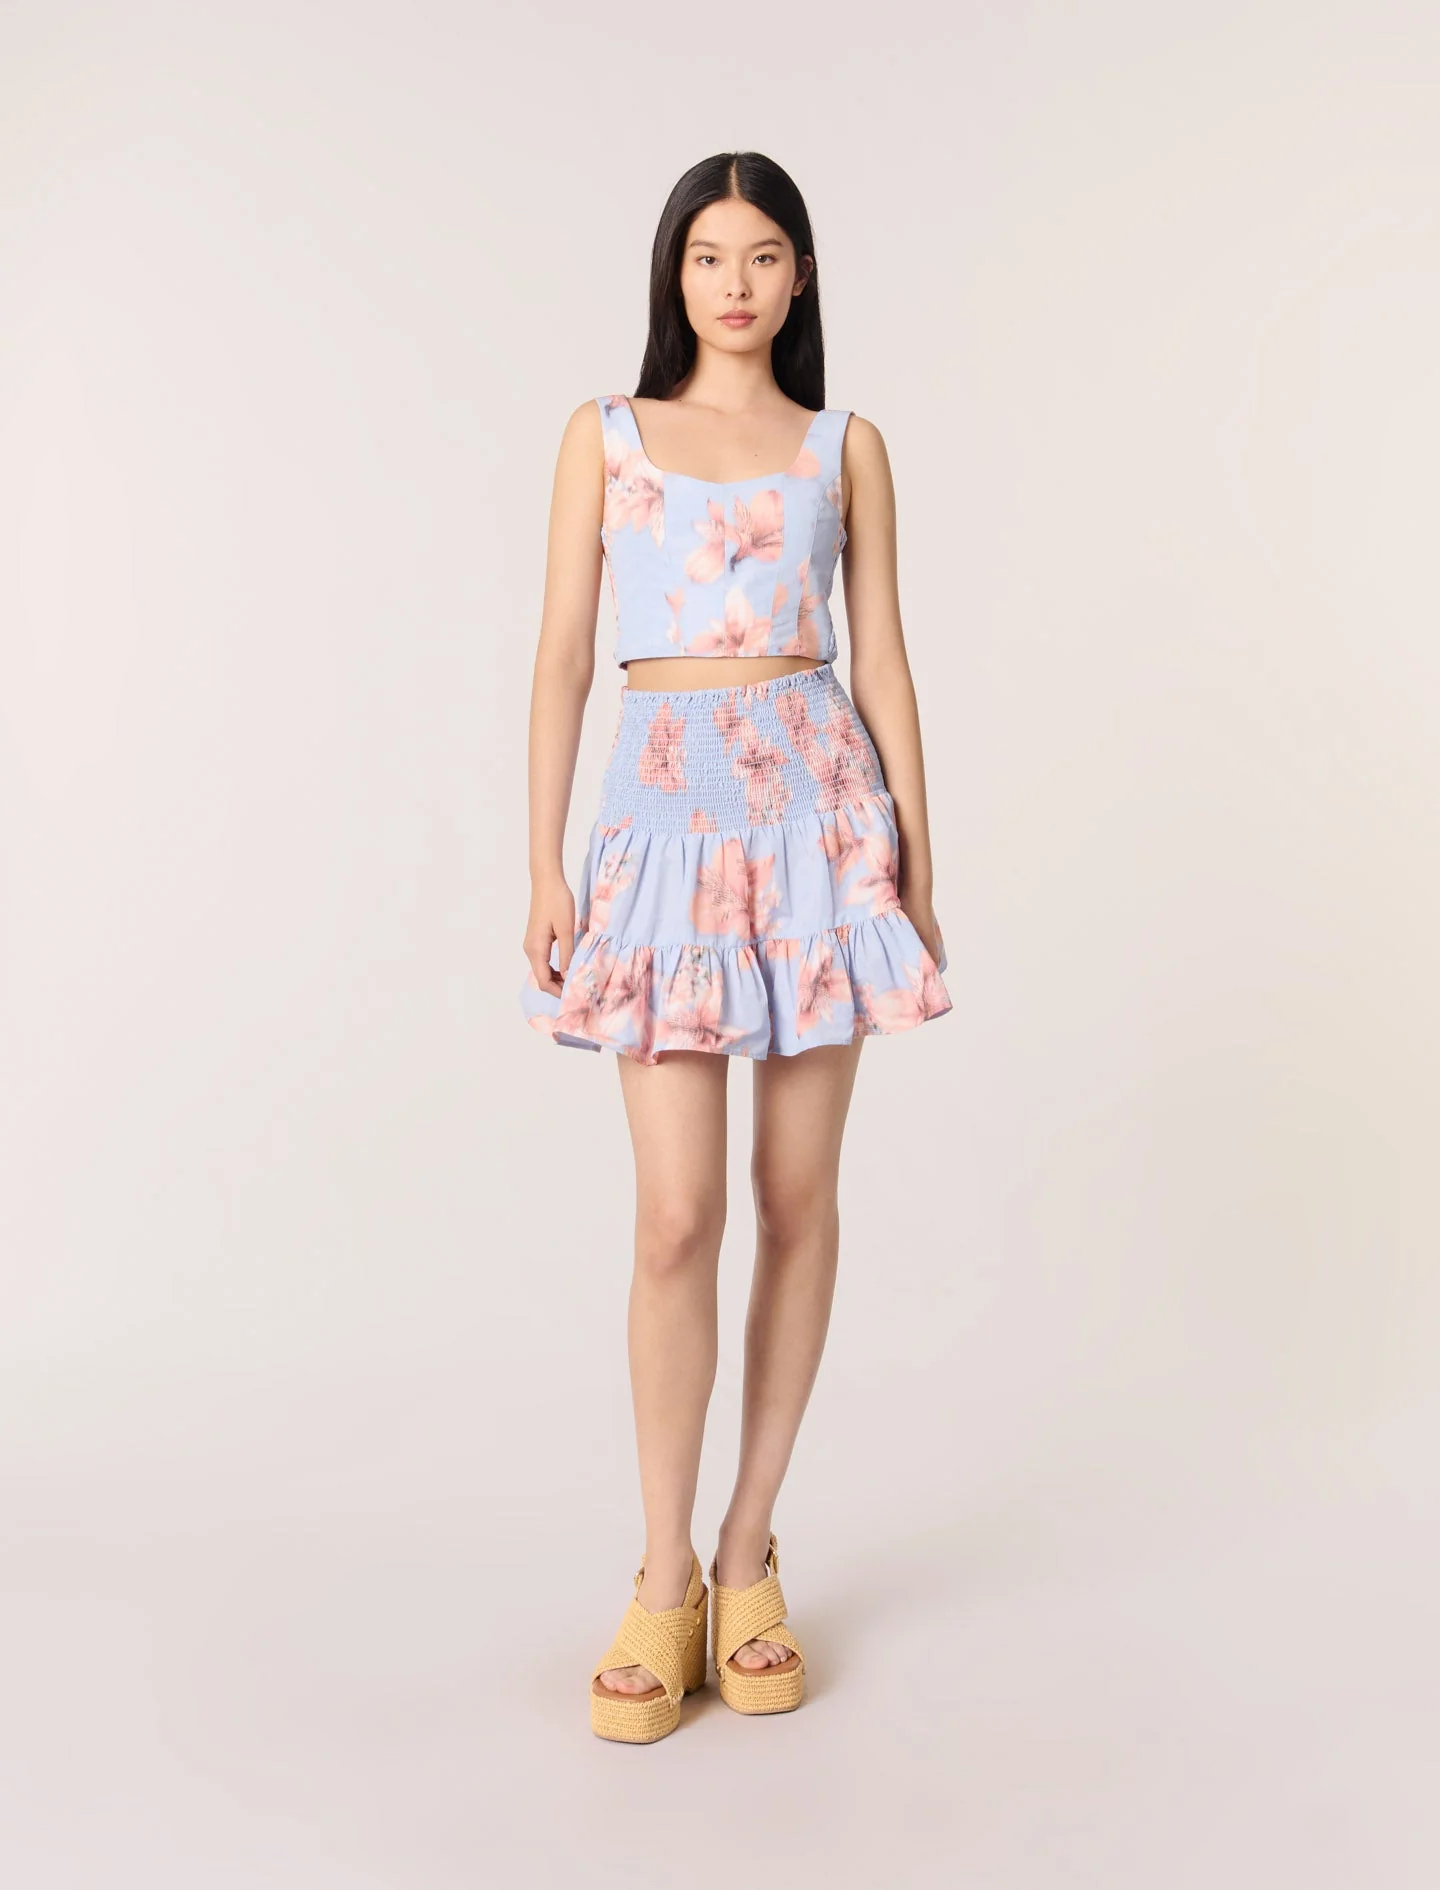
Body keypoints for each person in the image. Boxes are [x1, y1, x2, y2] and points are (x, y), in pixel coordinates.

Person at [518, 150, 952, 1743]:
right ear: (675, 273)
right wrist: (545, 861)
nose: (737, 283)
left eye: (765, 255)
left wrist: (916, 861)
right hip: (659, 824)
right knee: (676, 1216)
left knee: (793, 1196)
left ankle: (750, 1547)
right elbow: (565, 656)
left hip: (821, 824)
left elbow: (883, 661)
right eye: (710, 255)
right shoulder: (605, 435)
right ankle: (663, 1573)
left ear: (801, 276)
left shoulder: (848, 447)